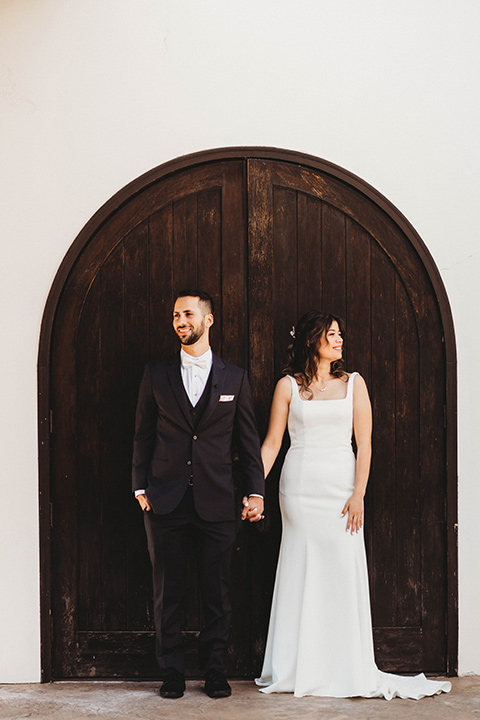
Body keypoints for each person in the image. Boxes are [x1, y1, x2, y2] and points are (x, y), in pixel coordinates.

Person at [254, 311, 451, 699]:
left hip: (342, 489)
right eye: (332, 334)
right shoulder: (288, 387)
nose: (340, 340)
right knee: (301, 568)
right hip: (299, 490)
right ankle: (297, 668)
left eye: (341, 334)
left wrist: (358, 492)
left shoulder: (354, 384)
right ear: (313, 340)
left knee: (341, 571)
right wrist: (253, 488)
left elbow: (365, 443)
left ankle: (343, 665)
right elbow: (273, 443)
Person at [133, 290, 264, 700]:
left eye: (188, 313)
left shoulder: (234, 377)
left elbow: (247, 439)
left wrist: (255, 491)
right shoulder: (156, 374)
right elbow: (142, 435)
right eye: (175, 315)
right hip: (164, 501)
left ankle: (214, 672)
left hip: (218, 501)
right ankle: (171, 672)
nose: (180, 320)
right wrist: (141, 488)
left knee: (217, 594)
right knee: (167, 593)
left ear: (208, 320)